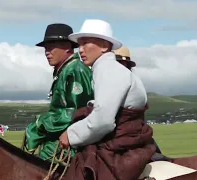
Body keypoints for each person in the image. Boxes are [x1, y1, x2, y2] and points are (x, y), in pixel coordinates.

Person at [59, 19, 157, 180]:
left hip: (120, 144)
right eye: (79, 45)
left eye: (86, 43)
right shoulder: (105, 69)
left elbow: (103, 121)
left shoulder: (109, 70)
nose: (80, 50)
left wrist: (70, 135)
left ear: (104, 46)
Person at [23, 23, 94, 163]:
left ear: (67, 46)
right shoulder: (64, 70)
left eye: (51, 46)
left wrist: (39, 125)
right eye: (45, 48)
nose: (46, 52)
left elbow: (77, 112)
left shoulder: (75, 70)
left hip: (72, 143)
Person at [112, 46, 165, 155]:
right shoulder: (134, 81)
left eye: (120, 63)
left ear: (126, 65)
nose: (118, 67)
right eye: (115, 63)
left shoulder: (130, 83)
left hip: (126, 134)